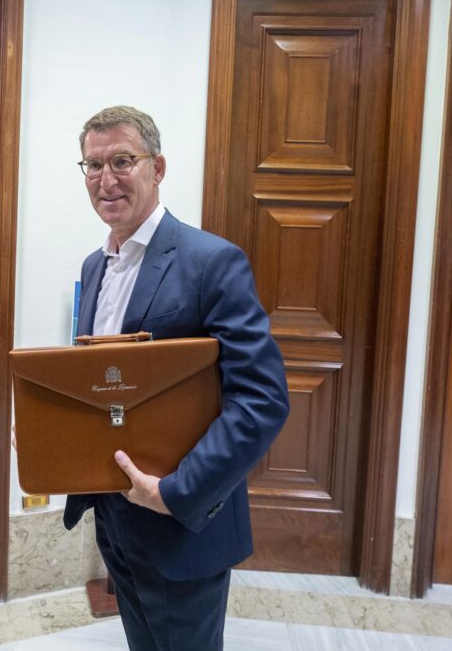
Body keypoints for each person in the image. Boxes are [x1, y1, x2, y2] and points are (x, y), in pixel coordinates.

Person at [64, 106, 289, 650]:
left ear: (157, 168)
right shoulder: (95, 267)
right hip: (112, 513)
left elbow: (261, 400)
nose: (106, 179)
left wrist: (177, 493)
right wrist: (57, 431)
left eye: (122, 161)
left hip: (181, 520)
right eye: (93, 166)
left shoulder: (213, 261)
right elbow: (103, 386)